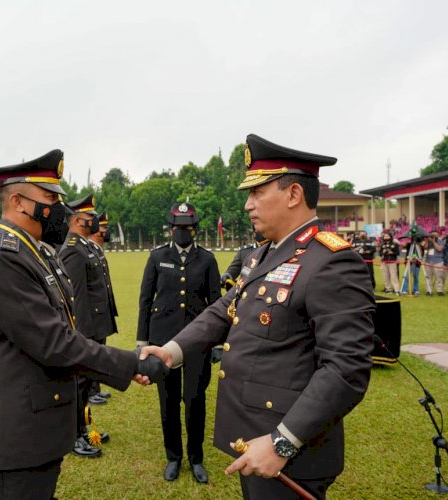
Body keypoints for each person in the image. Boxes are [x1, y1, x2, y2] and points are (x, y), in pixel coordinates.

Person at [141, 134, 375, 499]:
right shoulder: (264, 254)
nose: (248, 205)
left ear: (294, 194)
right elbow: (223, 310)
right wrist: (172, 351)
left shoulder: (331, 262)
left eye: (257, 193)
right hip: (255, 439)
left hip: (287, 451)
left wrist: (283, 442)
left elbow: (346, 369)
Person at [0, 150, 166, 500]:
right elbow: (55, 343)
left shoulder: (34, 251)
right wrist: (131, 363)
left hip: (35, 425)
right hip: (14, 433)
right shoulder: (3, 258)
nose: (61, 209)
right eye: (51, 198)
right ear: (18, 201)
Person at [137, 202, 221, 484]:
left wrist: (218, 342)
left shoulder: (207, 260)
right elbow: (146, 300)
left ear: (194, 229)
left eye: (187, 228)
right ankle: (174, 457)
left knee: (195, 399)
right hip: (163, 340)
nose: (182, 232)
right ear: (171, 229)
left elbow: (217, 304)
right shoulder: (157, 257)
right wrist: (142, 340)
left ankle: (196, 458)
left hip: (197, 342)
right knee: (169, 401)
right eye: (177, 228)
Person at [60, 194, 118, 457]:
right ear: (76, 219)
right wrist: (81, 336)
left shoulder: (85, 246)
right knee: (80, 383)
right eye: (90, 217)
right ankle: (74, 435)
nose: (95, 221)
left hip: (97, 326)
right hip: (87, 328)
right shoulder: (73, 249)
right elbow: (77, 298)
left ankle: (85, 428)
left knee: (87, 382)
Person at [87, 211, 119, 403]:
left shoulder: (96, 249)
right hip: (92, 314)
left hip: (100, 312)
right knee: (92, 351)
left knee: (99, 349)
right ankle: (90, 392)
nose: (105, 230)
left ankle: (95, 388)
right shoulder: (84, 249)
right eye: (103, 226)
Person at [421, 230, 445, 296]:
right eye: (432, 235)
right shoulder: (428, 241)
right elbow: (425, 247)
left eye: (435, 235)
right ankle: (429, 290)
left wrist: (434, 242)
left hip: (438, 262)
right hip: (428, 261)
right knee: (428, 277)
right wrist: (427, 240)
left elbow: (439, 249)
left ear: (438, 235)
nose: (433, 236)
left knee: (439, 277)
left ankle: (439, 291)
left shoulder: (441, 241)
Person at [378, 230, 401, 294]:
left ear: (390, 236)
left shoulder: (394, 244)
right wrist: (382, 252)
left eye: (387, 236)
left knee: (394, 276)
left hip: (392, 261)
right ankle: (388, 289)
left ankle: (397, 290)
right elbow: (380, 254)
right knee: (386, 276)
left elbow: (397, 253)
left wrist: (392, 252)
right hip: (384, 262)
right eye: (385, 236)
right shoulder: (382, 244)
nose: (386, 237)